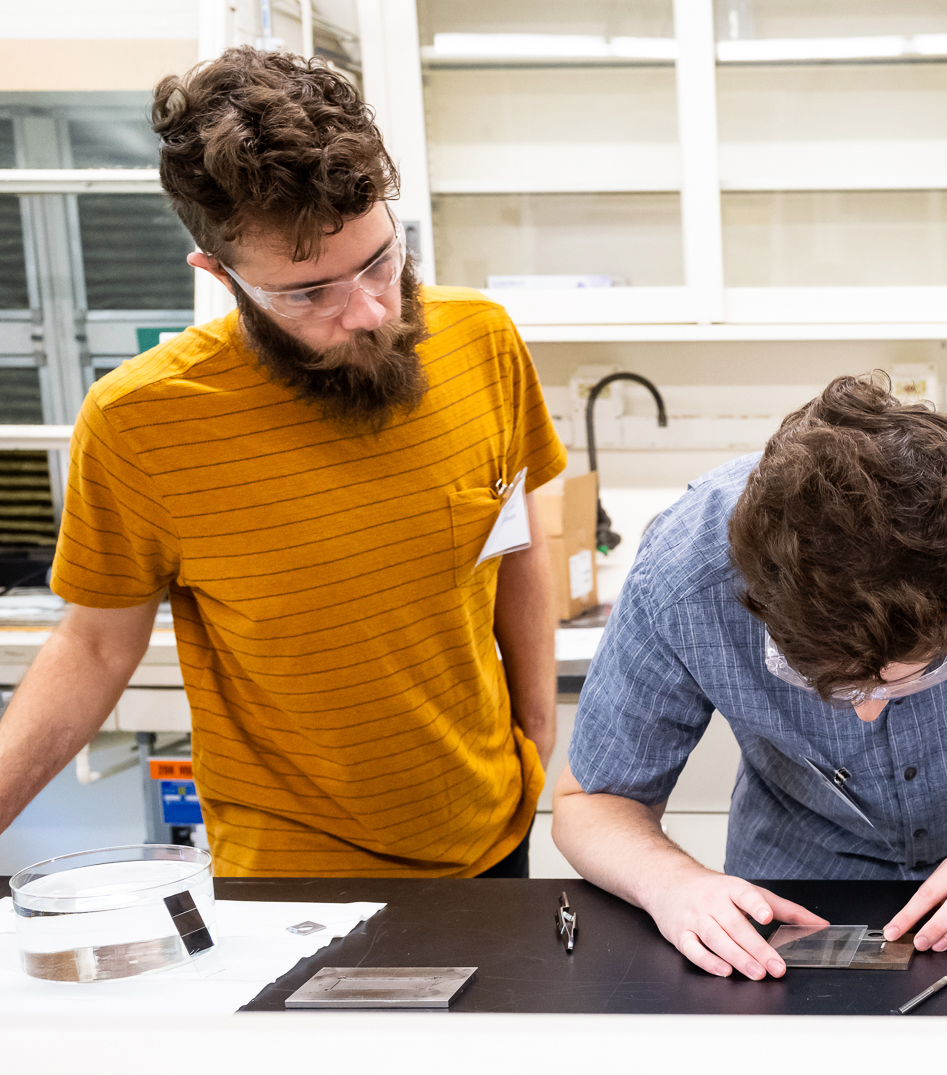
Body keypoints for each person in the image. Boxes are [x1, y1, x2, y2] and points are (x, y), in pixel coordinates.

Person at [0, 48, 564, 877]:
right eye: (309, 293)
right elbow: (92, 649)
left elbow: (517, 544)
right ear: (219, 277)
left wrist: (537, 737)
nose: (369, 309)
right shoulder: (141, 422)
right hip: (289, 879)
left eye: (379, 258)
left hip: (489, 838)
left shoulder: (482, 339)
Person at [554, 376, 947, 980]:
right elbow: (592, 803)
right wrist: (674, 885)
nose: (864, 714)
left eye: (907, 678)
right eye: (827, 684)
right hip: (790, 904)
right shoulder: (684, 575)